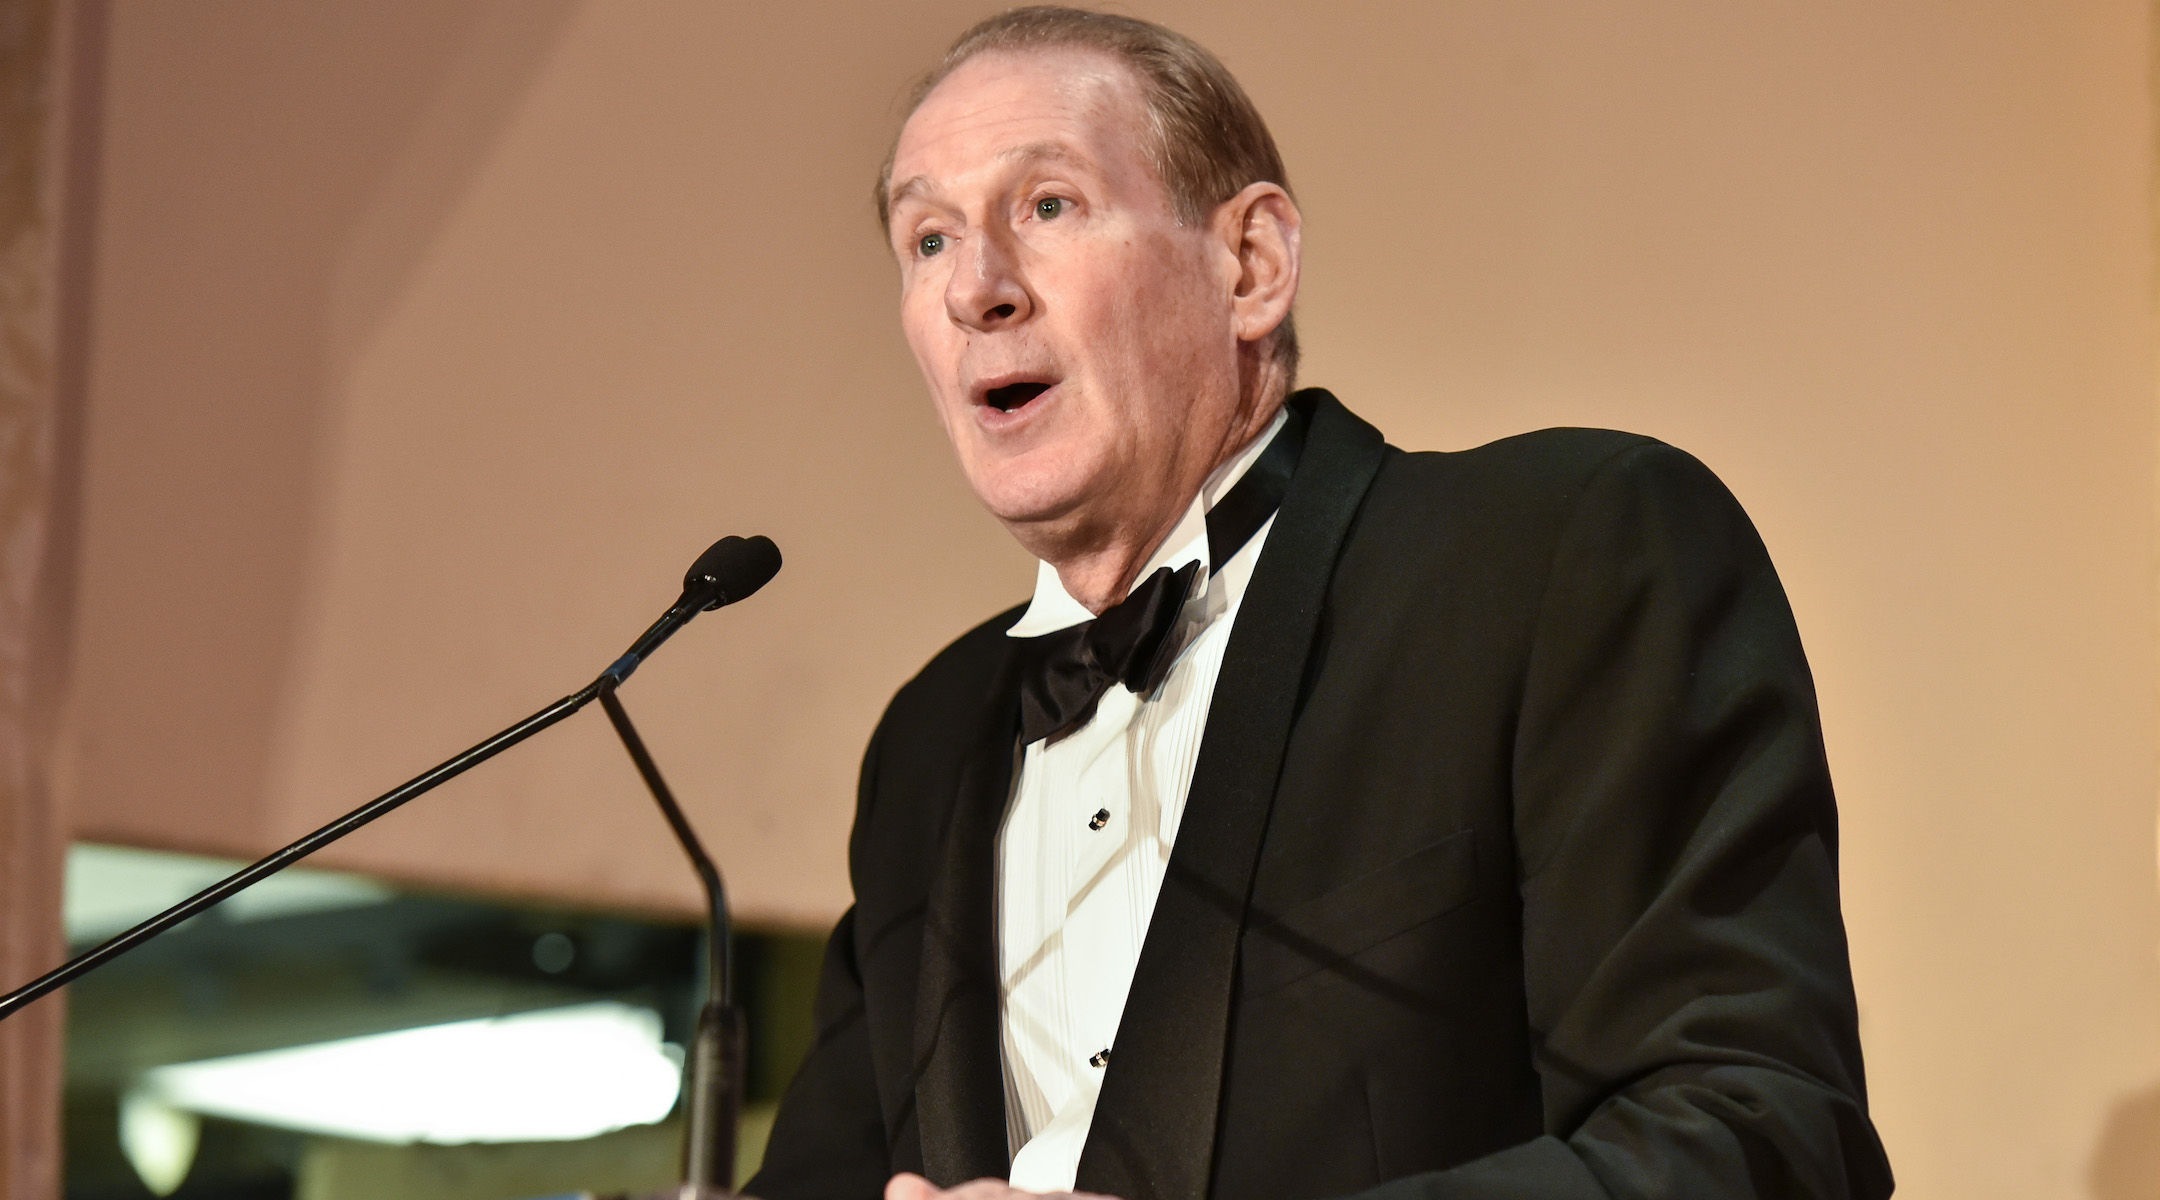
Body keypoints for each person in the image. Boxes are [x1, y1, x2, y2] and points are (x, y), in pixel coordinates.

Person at [746, 8, 1894, 1200]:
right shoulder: (927, 743)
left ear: (1250, 265)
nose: (975, 287)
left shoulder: (1561, 557)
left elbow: (1760, 1143)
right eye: (926, 238)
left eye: (1047, 206)